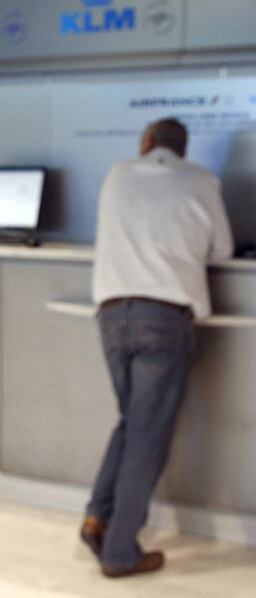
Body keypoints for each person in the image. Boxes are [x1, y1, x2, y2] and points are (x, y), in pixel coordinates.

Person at [81, 118, 234, 578]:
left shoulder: (117, 174)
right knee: (148, 434)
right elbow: (222, 251)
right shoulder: (203, 181)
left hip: (112, 314)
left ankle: (97, 517)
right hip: (164, 318)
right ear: (183, 151)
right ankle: (120, 551)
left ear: (145, 143)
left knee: (131, 423)